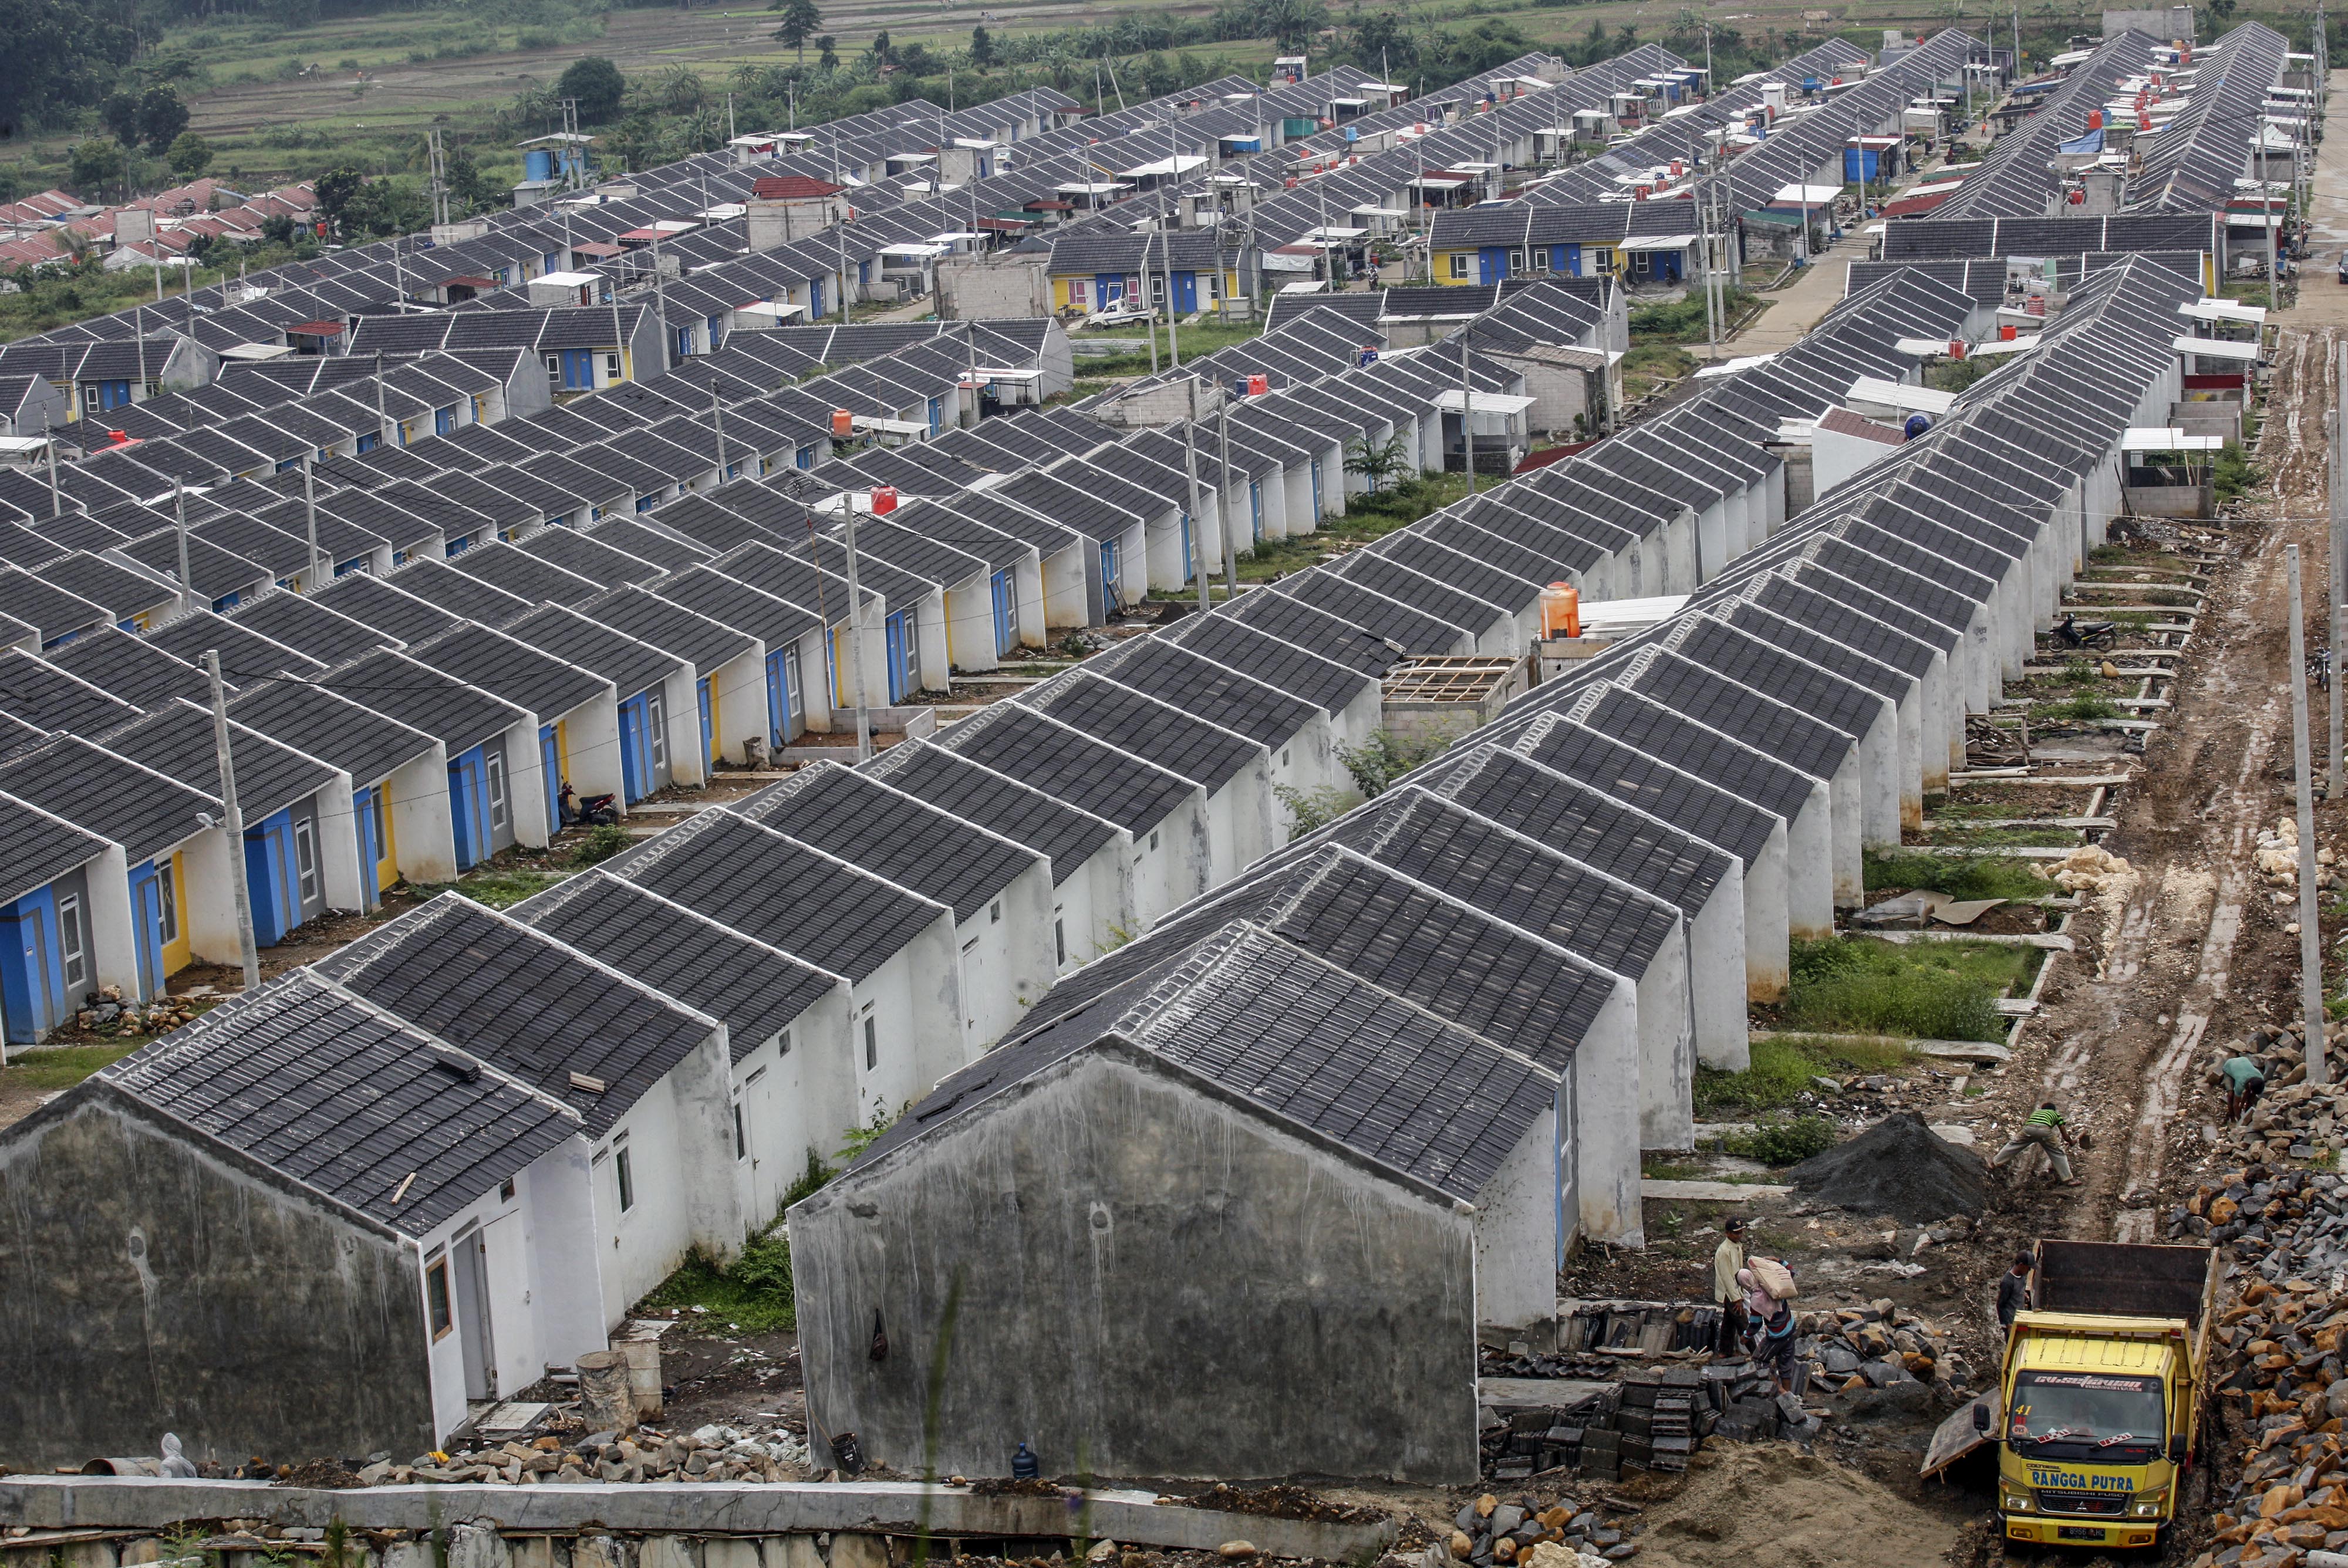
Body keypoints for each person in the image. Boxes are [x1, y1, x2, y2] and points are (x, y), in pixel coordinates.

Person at [1991, 1100, 2080, 1187]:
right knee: (2058, 1153)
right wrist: (2071, 1141)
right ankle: (2068, 1179)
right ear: (2054, 1110)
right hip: (2045, 1132)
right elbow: (2064, 1134)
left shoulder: (2036, 1113)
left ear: (2042, 1109)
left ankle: (1994, 1163)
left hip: (2029, 1129)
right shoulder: (2056, 1114)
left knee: (2014, 1145)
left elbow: (2031, 1124)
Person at [1711, 1218, 1748, 1359]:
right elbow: (1727, 1278)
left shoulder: (1737, 1246)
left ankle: (1724, 1351)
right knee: (1743, 1323)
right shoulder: (1724, 1251)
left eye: (1741, 1232)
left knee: (1729, 1322)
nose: (1739, 1235)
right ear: (1727, 1233)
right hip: (1730, 1293)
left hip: (1735, 1290)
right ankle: (1757, 1354)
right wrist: (1737, 1298)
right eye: (1736, 1233)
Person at [1995, 1250, 2035, 1335]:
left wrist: (2023, 1294)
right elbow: (2000, 1305)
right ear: (2021, 1265)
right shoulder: (2008, 1282)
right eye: (2028, 1267)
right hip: (2013, 1324)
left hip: (2020, 1319)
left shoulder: (2022, 1275)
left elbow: (2018, 1290)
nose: (2030, 1270)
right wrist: (2008, 1325)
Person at [2222, 1055, 2266, 1123]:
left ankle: (2246, 1113)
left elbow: (2251, 1096)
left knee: (2250, 1097)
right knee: (2231, 1095)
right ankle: (2232, 1118)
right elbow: (2236, 1104)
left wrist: (2245, 1112)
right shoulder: (2241, 1082)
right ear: (2249, 1085)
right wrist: (2241, 1121)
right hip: (2229, 1066)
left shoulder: (2260, 1079)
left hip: (2243, 1061)